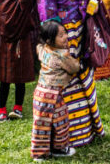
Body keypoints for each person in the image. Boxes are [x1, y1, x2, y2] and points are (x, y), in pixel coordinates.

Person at [36, 0, 105, 146]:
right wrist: (57, 37)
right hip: (62, 34)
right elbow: (46, 6)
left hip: (83, 27)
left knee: (84, 76)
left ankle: (89, 129)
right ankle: (67, 135)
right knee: (65, 80)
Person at [31, 20, 80, 160]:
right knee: (60, 122)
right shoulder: (61, 56)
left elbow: (39, 47)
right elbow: (74, 67)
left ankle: (39, 153)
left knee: (41, 124)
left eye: (65, 33)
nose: (65, 37)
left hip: (40, 94)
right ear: (50, 40)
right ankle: (59, 149)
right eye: (61, 35)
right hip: (53, 96)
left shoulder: (43, 49)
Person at [0, 0, 38, 122]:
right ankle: (1, 110)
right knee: (4, 79)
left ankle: (18, 108)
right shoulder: (3, 0)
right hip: (5, 44)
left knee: (20, 78)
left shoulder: (23, 3)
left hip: (21, 43)